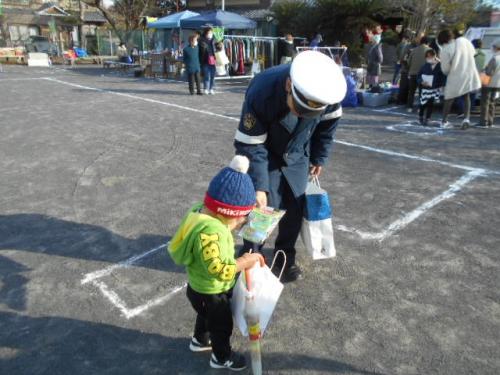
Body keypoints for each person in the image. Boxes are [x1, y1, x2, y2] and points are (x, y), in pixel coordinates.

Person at [234, 51, 347, 282]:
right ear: (288, 85)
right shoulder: (262, 91)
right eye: (298, 109)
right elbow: (250, 143)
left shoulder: (329, 91)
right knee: (263, 209)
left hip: (298, 155)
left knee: (294, 209)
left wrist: (318, 157)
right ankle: (250, 256)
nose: (302, 115)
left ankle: (284, 258)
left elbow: (327, 127)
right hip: (265, 154)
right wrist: (259, 186)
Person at [168, 155, 264, 371]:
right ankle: (221, 357)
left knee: (205, 316)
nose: (241, 223)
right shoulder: (212, 233)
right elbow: (220, 269)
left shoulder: (200, 211)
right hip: (211, 291)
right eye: (241, 218)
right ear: (228, 213)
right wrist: (245, 261)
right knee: (221, 326)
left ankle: (199, 340)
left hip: (199, 288)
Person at [438, 29, 481, 129]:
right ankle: (466, 119)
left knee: (449, 98)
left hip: (455, 75)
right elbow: (474, 54)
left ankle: (444, 122)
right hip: (469, 73)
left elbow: (445, 69)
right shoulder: (465, 41)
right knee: (466, 96)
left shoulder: (446, 49)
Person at [417, 49, 446, 125]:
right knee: (423, 103)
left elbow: (443, 77)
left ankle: (428, 118)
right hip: (424, 87)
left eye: (430, 56)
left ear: (434, 56)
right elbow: (418, 76)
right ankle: (421, 116)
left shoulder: (440, 65)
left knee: (431, 103)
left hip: (435, 87)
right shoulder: (425, 65)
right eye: (427, 57)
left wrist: (442, 86)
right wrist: (421, 81)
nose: (428, 58)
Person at [477, 38, 500, 127]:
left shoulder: (495, 58)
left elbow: (489, 72)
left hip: (489, 83)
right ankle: (490, 121)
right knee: (492, 102)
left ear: (496, 47)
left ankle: (483, 122)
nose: (491, 48)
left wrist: (484, 70)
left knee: (485, 103)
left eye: (493, 47)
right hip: (498, 84)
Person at [407, 35, 430, 112]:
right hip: (424, 75)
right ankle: (420, 108)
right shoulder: (430, 51)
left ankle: (409, 107)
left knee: (411, 91)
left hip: (413, 73)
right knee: (422, 92)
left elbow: (408, 62)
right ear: (428, 43)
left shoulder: (414, 50)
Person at [199, 27, 217, 95]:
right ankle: (206, 88)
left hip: (213, 60)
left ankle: (211, 88)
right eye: (209, 33)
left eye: (211, 33)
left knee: (212, 75)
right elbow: (200, 52)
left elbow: (217, 49)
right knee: (207, 75)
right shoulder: (201, 40)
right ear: (206, 33)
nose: (211, 34)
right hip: (205, 60)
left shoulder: (214, 40)